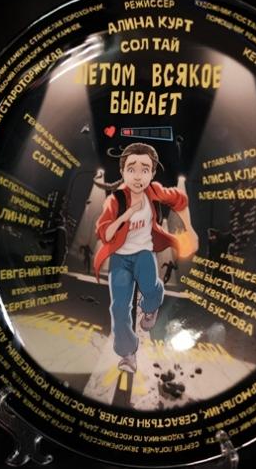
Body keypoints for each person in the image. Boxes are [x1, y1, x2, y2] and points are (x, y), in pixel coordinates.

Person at [93, 143, 198, 373]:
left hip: (144, 254)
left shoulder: (154, 190)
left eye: (145, 169)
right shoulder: (115, 200)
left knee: (151, 288)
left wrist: (189, 229)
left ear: (152, 173)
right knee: (119, 308)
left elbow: (180, 200)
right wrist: (127, 215)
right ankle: (128, 354)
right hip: (120, 259)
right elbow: (105, 234)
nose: (138, 176)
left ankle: (150, 307)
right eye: (131, 169)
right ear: (122, 172)